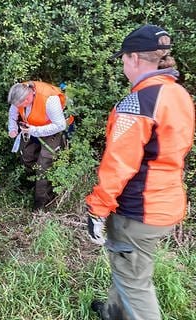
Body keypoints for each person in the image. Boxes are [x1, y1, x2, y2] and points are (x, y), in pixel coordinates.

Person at [85, 24, 195, 320]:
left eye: (123, 60)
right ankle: (113, 311)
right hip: (166, 201)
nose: (123, 66)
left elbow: (119, 164)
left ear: (134, 59)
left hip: (137, 209)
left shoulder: (137, 103)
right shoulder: (177, 94)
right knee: (126, 264)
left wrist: (97, 209)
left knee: (134, 281)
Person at [7, 81, 67, 210]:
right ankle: (31, 185)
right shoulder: (19, 95)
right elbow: (13, 113)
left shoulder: (50, 100)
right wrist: (12, 128)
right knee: (27, 156)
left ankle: (42, 203)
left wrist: (34, 130)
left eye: (20, 105)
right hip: (31, 128)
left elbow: (60, 125)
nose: (18, 107)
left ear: (28, 98)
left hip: (52, 130)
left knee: (44, 165)